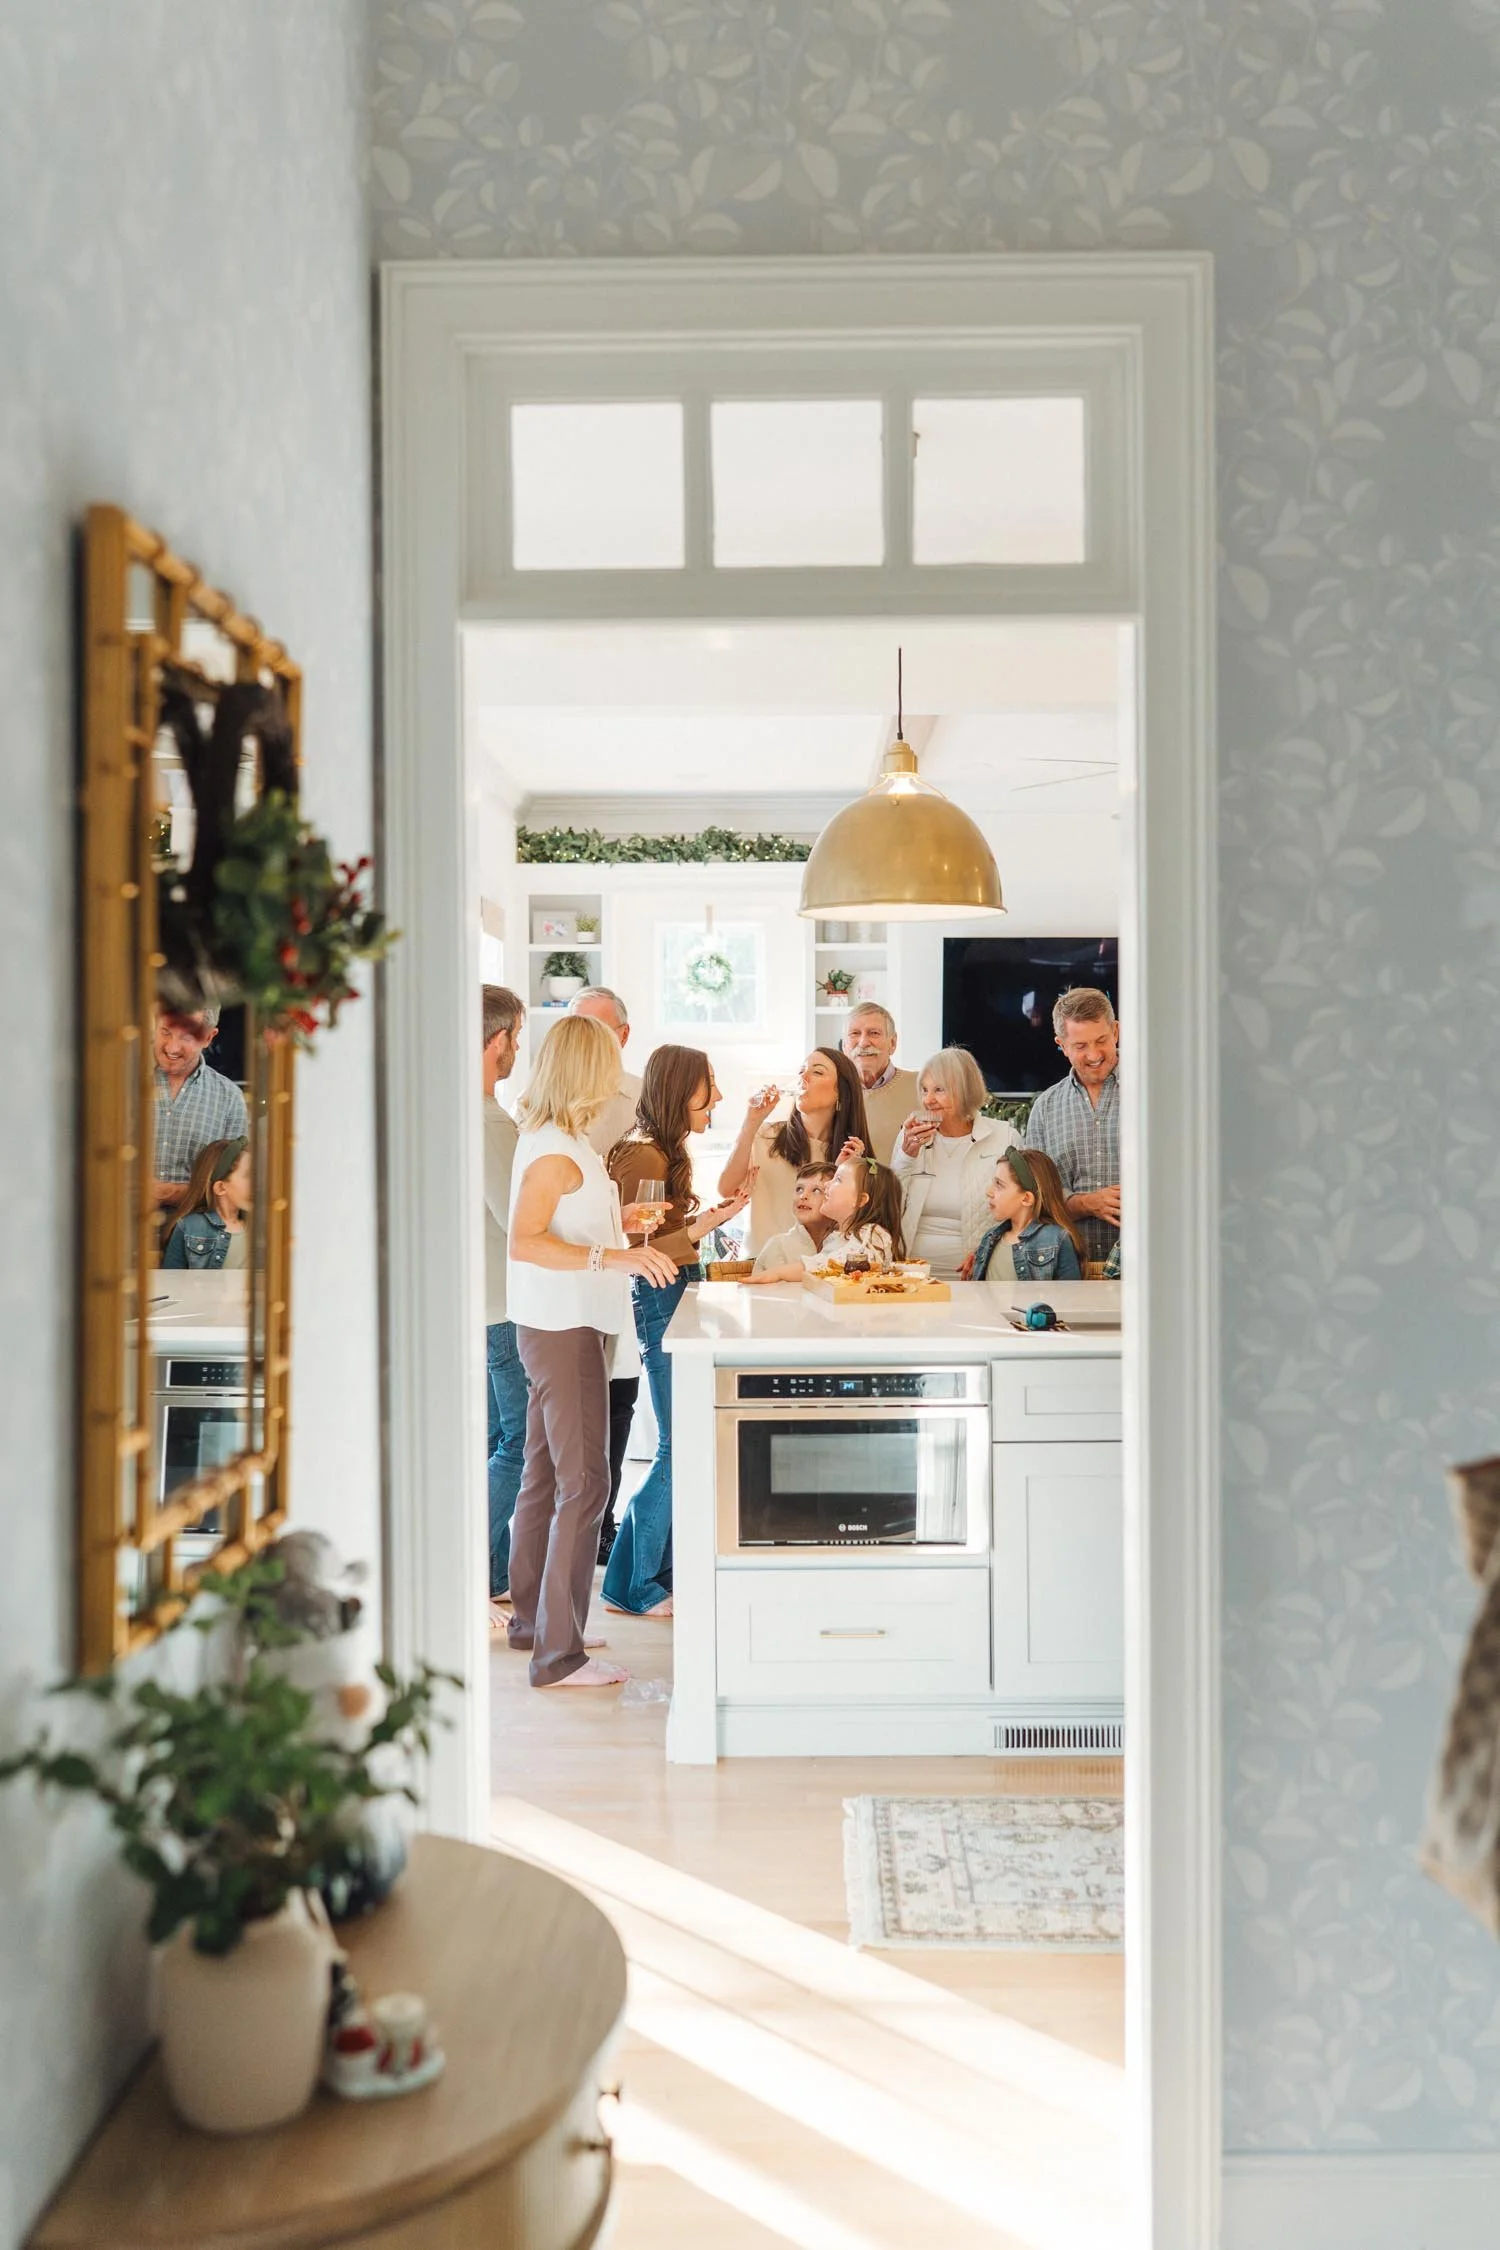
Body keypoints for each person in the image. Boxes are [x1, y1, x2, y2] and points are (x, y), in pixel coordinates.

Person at [506, 1014, 677, 1689]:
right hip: (564, 1326)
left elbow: (565, 1226)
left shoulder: (562, 1140)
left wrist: (623, 1224)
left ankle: (535, 1626)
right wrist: (618, 1253)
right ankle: (560, 1656)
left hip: (566, 1322)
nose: (617, 1080)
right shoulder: (553, 1148)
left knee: (546, 1478)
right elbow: (525, 1240)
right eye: (609, 1065)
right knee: (587, 1484)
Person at [602, 1046, 755, 1618]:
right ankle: (634, 1584)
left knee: (680, 1441)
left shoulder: (657, 1152)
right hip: (661, 1293)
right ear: (678, 1090)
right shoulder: (643, 1155)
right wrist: (711, 1222)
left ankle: (638, 1577)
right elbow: (633, 1251)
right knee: (677, 1444)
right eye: (707, 1087)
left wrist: (710, 1219)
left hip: (673, 1288)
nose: (715, 1098)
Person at [567, 984, 644, 1558]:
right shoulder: (543, 1110)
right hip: (569, 1279)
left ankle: (604, 1523)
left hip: (627, 1262)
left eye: (594, 1029)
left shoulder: (642, 1098)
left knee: (620, 1399)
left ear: (621, 1037)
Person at [719, 1047, 871, 1254]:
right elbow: (726, 1189)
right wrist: (751, 1122)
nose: (803, 1078)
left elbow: (852, 1224)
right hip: (761, 1267)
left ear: (840, 1093)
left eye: (817, 1072)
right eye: (801, 1071)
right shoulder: (764, 1135)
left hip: (821, 1270)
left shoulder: (852, 1154)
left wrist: (844, 1172)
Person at [890, 1047, 1021, 1279]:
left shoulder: (1005, 1138)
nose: (928, 1100)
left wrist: (985, 1252)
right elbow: (890, 1206)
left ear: (965, 1090)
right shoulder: (909, 1137)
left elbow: (1022, 1214)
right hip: (913, 1273)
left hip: (979, 1273)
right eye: (924, 1090)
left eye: (939, 1090)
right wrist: (906, 1156)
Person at [481, 984, 525, 1628]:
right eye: (516, 1038)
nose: (519, 1049)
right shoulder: (491, 1122)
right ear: (496, 1043)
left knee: (494, 1439)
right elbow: (519, 1222)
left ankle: (493, 1574)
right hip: (502, 1304)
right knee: (518, 1444)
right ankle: (479, 1572)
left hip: (476, 1302)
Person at [1024, 988, 1121, 1268]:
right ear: (1062, 1044)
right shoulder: (1045, 1108)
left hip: (1151, 1271)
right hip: (1070, 1268)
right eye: (1080, 1046)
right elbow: (1035, 1198)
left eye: (1101, 1040)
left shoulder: (1157, 1092)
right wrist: (1087, 1203)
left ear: (1116, 1031)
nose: (1093, 1055)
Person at [746, 1153, 905, 1281]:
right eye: (799, 1189)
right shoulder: (835, 1239)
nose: (827, 1185)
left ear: (860, 1200)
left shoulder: (872, 1234)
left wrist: (779, 1273)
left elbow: (829, 1265)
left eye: (838, 1180)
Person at [152, 1005, 249, 1214]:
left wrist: (169, 1192)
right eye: (165, 1032)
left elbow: (232, 1188)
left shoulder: (230, 1099)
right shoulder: (119, 1084)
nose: (172, 1048)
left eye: (187, 1037)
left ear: (208, 1038)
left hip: (197, 1238)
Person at [967, 1147, 1083, 1283]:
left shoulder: (1058, 1239)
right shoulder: (990, 1238)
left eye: (999, 1184)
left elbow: (1070, 1299)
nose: (989, 1191)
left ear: (1026, 1198)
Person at [569, 986, 642, 1160]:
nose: (587, 1040)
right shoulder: (535, 1099)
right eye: (577, 1031)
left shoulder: (647, 1098)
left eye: (599, 1030)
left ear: (623, 1035)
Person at [841, 1003, 918, 1164]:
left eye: (874, 1033)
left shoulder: (922, 1087)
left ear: (893, 1043)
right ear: (844, 1046)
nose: (863, 1042)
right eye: (855, 1033)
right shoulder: (830, 1091)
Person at [161, 1136, 251, 1269]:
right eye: (249, 1176)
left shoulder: (262, 1229)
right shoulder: (188, 1227)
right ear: (220, 1187)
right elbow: (170, 1282)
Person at [752, 1161, 835, 1274]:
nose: (803, 1196)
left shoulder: (846, 1244)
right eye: (799, 1189)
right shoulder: (778, 1246)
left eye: (816, 1190)